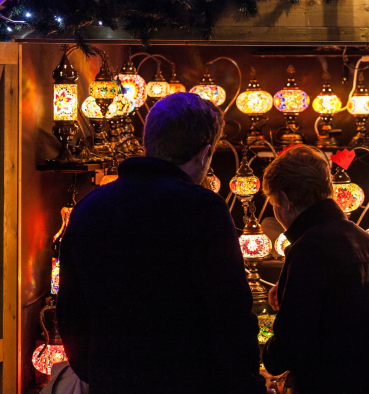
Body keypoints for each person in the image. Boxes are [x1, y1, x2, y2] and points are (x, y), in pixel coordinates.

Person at [57, 93, 265, 394]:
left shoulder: (90, 207)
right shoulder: (202, 208)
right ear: (205, 153)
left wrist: (98, 372)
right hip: (192, 382)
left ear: (149, 141)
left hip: (113, 380)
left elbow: (71, 311)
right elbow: (230, 312)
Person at [260, 145, 369, 394]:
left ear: (285, 200)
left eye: (273, 202)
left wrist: (268, 355)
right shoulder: (365, 239)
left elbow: (290, 347)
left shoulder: (309, 248)